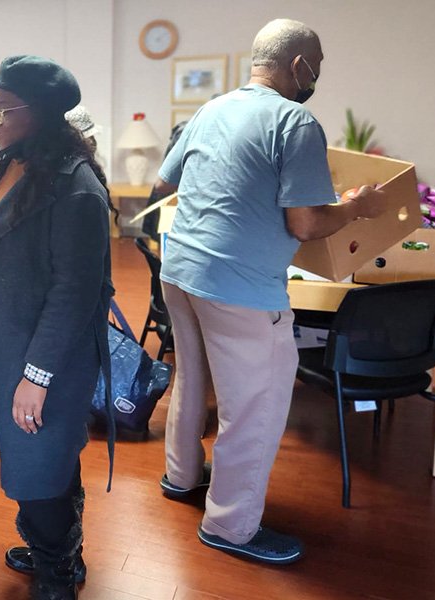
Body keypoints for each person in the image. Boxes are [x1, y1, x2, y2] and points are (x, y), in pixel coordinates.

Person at [152, 19, 387, 565]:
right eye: (318, 65)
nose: (318, 75)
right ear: (299, 65)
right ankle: (230, 527)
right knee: (254, 406)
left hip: (180, 270)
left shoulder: (211, 109)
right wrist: (357, 207)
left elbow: (171, 180)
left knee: (193, 377)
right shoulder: (295, 120)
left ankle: (182, 476)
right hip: (239, 287)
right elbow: (305, 224)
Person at [0, 56, 113, 600]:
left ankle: (57, 569)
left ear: (39, 114)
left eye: (2, 110)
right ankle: (57, 550)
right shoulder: (10, 162)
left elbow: (74, 293)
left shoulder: (76, 187)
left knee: (39, 464)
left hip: (43, 355)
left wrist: (37, 376)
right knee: (43, 459)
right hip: (0, 343)